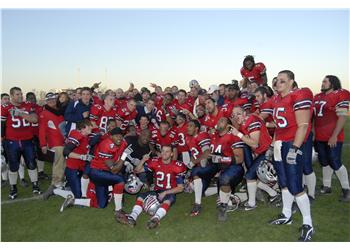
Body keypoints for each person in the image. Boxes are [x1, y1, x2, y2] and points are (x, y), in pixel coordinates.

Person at [268, 70, 314, 241]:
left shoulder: (299, 95)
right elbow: (280, 126)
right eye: (277, 81)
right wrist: (273, 144)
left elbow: (303, 125)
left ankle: (308, 224)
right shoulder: (277, 99)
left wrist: (294, 148)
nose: (278, 83)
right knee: (284, 182)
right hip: (280, 143)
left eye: (282, 81)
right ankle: (286, 215)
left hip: (292, 143)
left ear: (291, 82)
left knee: (295, 185)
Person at [231, 106, 280, 210]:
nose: (236, 117)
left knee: (250, 176)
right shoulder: (246, 121)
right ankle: (273, 194)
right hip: (262, 151)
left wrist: (239, 134)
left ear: (244, 113)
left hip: (267, 152)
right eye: (233, 115)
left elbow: (255, 144)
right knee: (252, 176)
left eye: (238, 114)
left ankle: (252, 204)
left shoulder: (251, 121)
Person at [126, 145, 187, 229]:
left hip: (169, 191)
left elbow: (180, 188)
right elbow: (137, 170)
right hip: (157, 190)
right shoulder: (155, 161)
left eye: (167, 151)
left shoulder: (178, 166)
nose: (164, 153)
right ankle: (133, 216)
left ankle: (155, 218)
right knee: (140, 197)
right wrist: (143, 160)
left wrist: (165, 192)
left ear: (172, 154)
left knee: (168, 200)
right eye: (163, 151)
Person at [313, 75, 350, 201]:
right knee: (324, 162)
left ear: (332, 83)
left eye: (325, 82)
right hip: (319, 136)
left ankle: (347, 190)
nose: (322, 83)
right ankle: (326, 187)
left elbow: (343, 116)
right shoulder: (317, 96)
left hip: (333, 136)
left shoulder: (340, 94)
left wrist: (334, 135)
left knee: (335, 162)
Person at [1, 87, 41, 199]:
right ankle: (13, 188)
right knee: (13, 166)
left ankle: (35, 185)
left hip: (27, 140)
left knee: (31, 164)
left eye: (21, 94)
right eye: (17, 94)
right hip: (12, 141)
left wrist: (20, 113)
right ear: (11, 96)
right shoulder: (5, 107)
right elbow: (2, 125)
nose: (20, 96)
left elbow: (35, 119)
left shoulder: (27, 105)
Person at [40, 93, 66, 199]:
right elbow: (42, 130)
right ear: (46, 101)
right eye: (49, 100)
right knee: (58, 163)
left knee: (63, 163)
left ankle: (61, 181)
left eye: (53, 99)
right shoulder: (44, 113)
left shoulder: (60, 111)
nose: (52, 101)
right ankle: (56, 183)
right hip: (55, 142)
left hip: (64, 141)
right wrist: (43, 144)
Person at [186, 120, 211, 216]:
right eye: (188, 126)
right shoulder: (189, 138)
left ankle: (198, 204)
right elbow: (194, 154)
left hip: (210, 165)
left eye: (191, 126)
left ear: (196, 128)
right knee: (198, 190)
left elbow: (207, 154)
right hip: (201, 165)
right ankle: (219, 188)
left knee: (196, 173)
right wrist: (190, 164)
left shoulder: (201, 136)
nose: (188, 127)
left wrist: (193, 163)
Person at [63, 119, 93, 198]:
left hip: (81, 167)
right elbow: (66, 151)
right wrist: (81, 156)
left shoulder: (85, 136)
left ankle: (69, 185)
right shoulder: (77, 135)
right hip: (73, 168)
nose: (91, 127)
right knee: (78, 196)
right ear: (83, 128)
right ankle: (55, 191)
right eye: (89, 125)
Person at [26, 92, 48, 180]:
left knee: (40, 154)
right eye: (30, 98)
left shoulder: (40, 108)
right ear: (27, 99)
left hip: (39, 134)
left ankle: (41, 171)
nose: (33, 100)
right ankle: (33, 173)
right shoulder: (25, 108)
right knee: (30, 154)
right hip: (28, 134)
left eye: (34, 97)